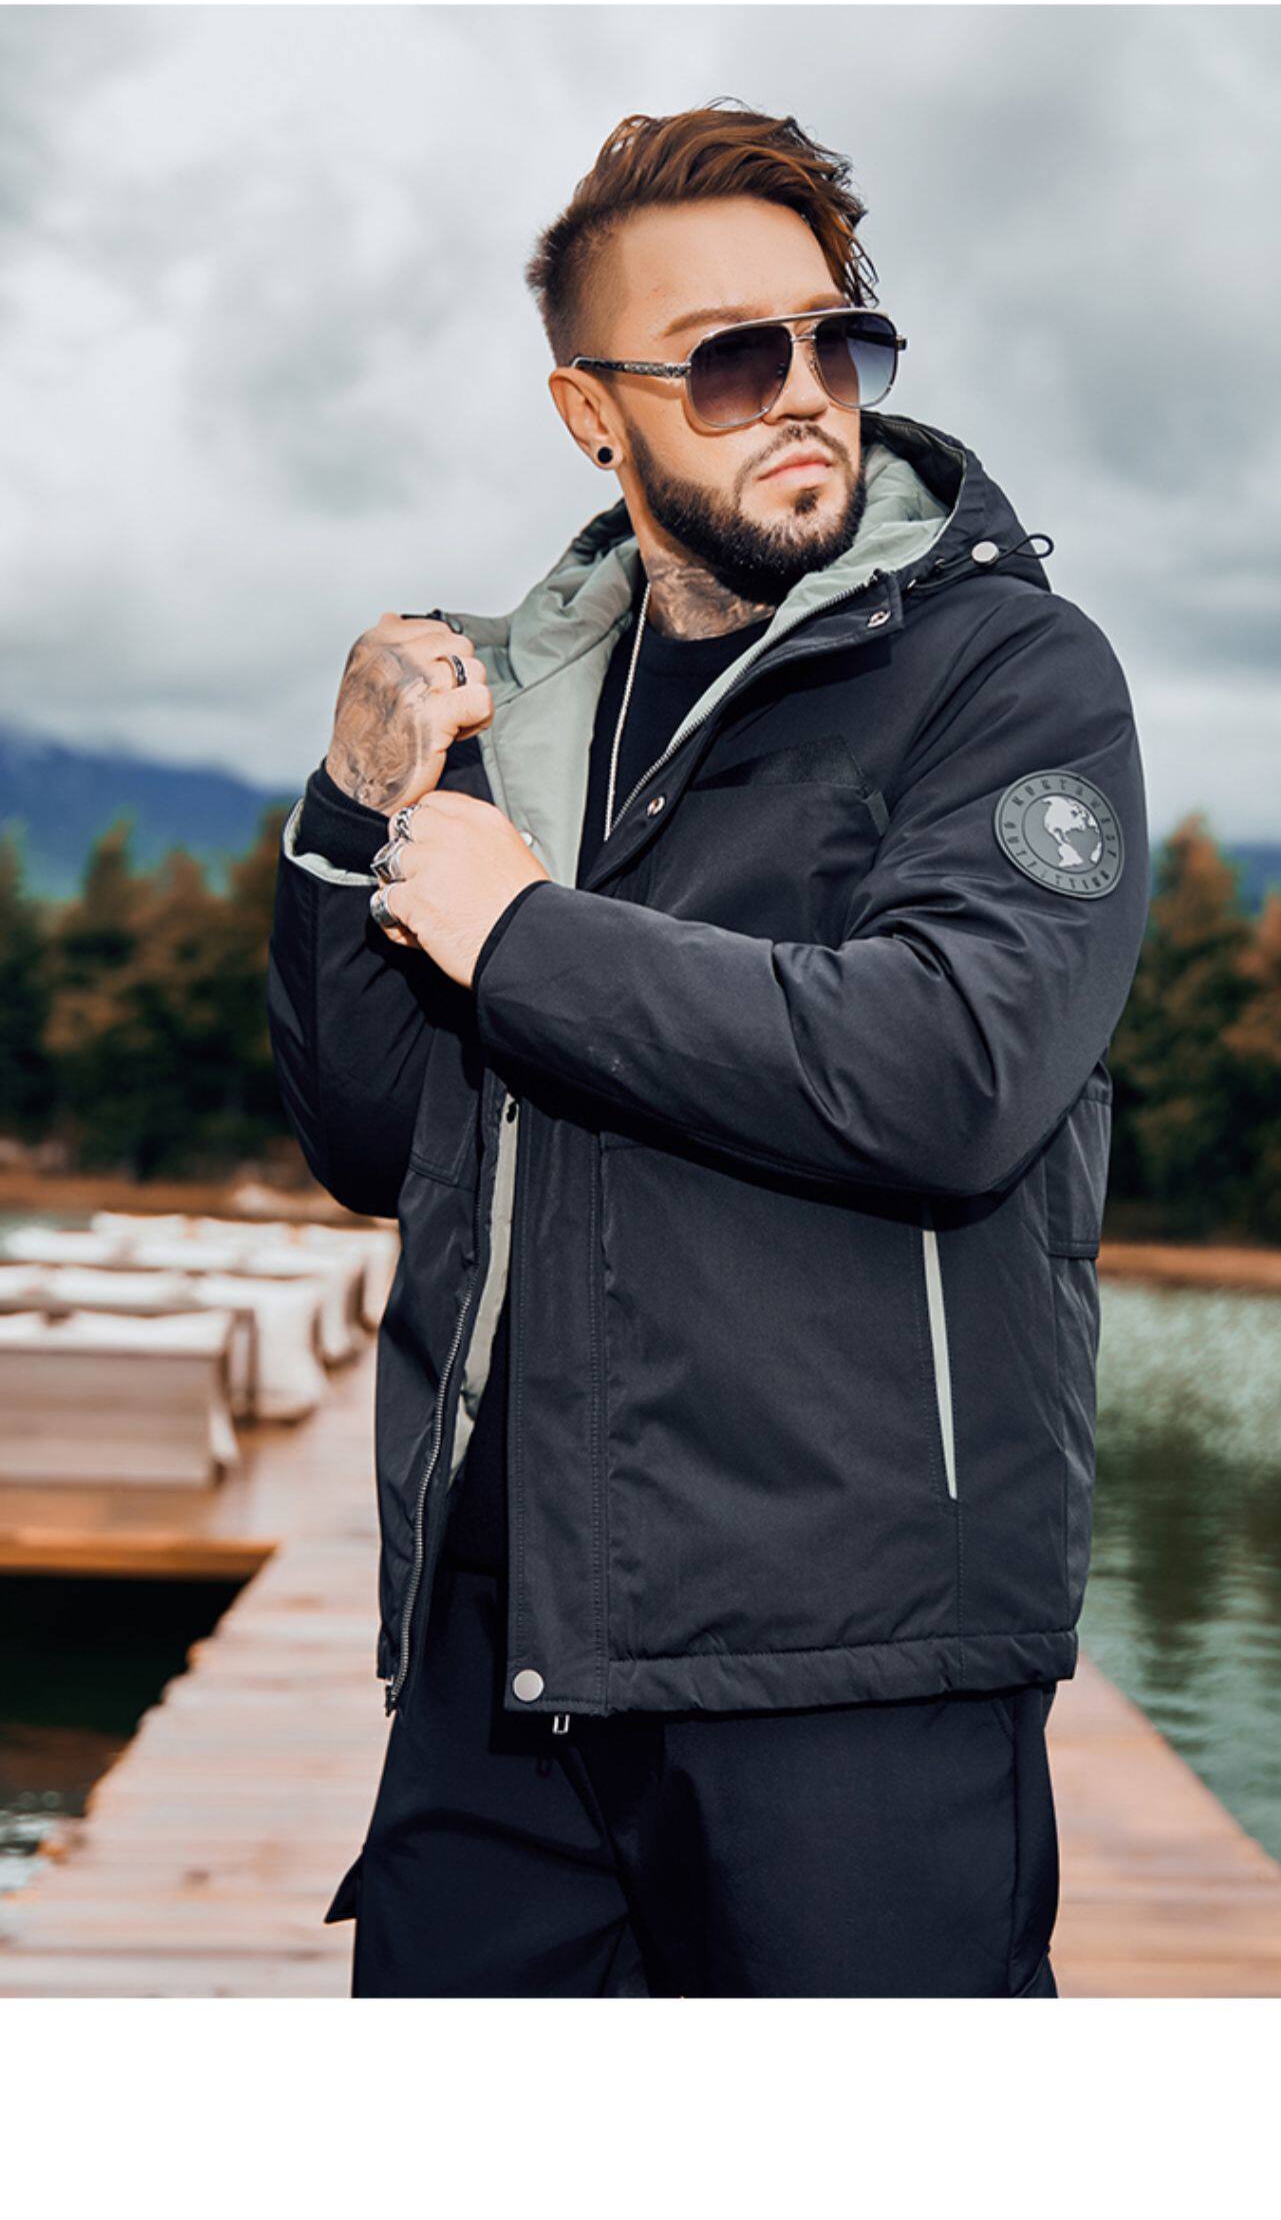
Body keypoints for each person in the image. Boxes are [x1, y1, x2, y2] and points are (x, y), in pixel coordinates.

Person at [266, 98, 1151, 1997]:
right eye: (734, 359)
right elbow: (375, 1136)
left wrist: (524, 933)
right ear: (591, 412)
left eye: (838, 339)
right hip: (507, 1651)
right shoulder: (522, 711)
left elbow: (954, 1069)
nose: (807, 393)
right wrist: (351, 809)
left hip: (850, 1667)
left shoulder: (1009, 673)